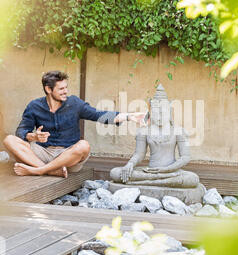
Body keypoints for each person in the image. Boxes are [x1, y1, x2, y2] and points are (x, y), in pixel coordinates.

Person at [3, 70, 145, 178]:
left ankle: (39, 170)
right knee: (9, 140)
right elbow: (21, 131)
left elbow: (99, 115)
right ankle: (52, 171)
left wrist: (129, 116)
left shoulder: (75, 103)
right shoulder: (34, 106)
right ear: (48, 89)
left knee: (84, 146)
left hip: (67, 156)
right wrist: (33, 137)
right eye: (61, 89)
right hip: (42, 153)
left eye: (66, 87)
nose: (66, 91)